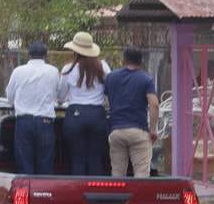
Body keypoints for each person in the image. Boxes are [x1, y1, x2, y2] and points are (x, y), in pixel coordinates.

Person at [59, 32, 111, 176]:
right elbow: (110, 89)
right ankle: (97, 192)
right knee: (95, 158)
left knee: (77, 158)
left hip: (75, 115)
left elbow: (61, 96)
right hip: (97, 115)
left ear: (75, 51)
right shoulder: (103, 67)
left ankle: (78, 193)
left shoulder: (67, 69)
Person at [5, 41, 60, 175]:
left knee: (24, 164)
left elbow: (9, 97)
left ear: (29, 55)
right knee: (45, 164)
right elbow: (56, 95)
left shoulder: (18, 71)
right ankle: (44, 193)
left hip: (24, 122)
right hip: (45, 123)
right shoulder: (53, 71)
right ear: (45, 55)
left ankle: (27, 193)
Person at [104, 47, 159, 178]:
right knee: (141, 174)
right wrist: (153, 130)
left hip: (116, 131)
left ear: (124, 59)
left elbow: (106, 100)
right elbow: (154, 104)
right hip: (138, 131)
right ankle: (138, 198)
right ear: (141, 61)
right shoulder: (146, 79)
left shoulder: (111, 77)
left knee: (117, 173)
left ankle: (117, 198)